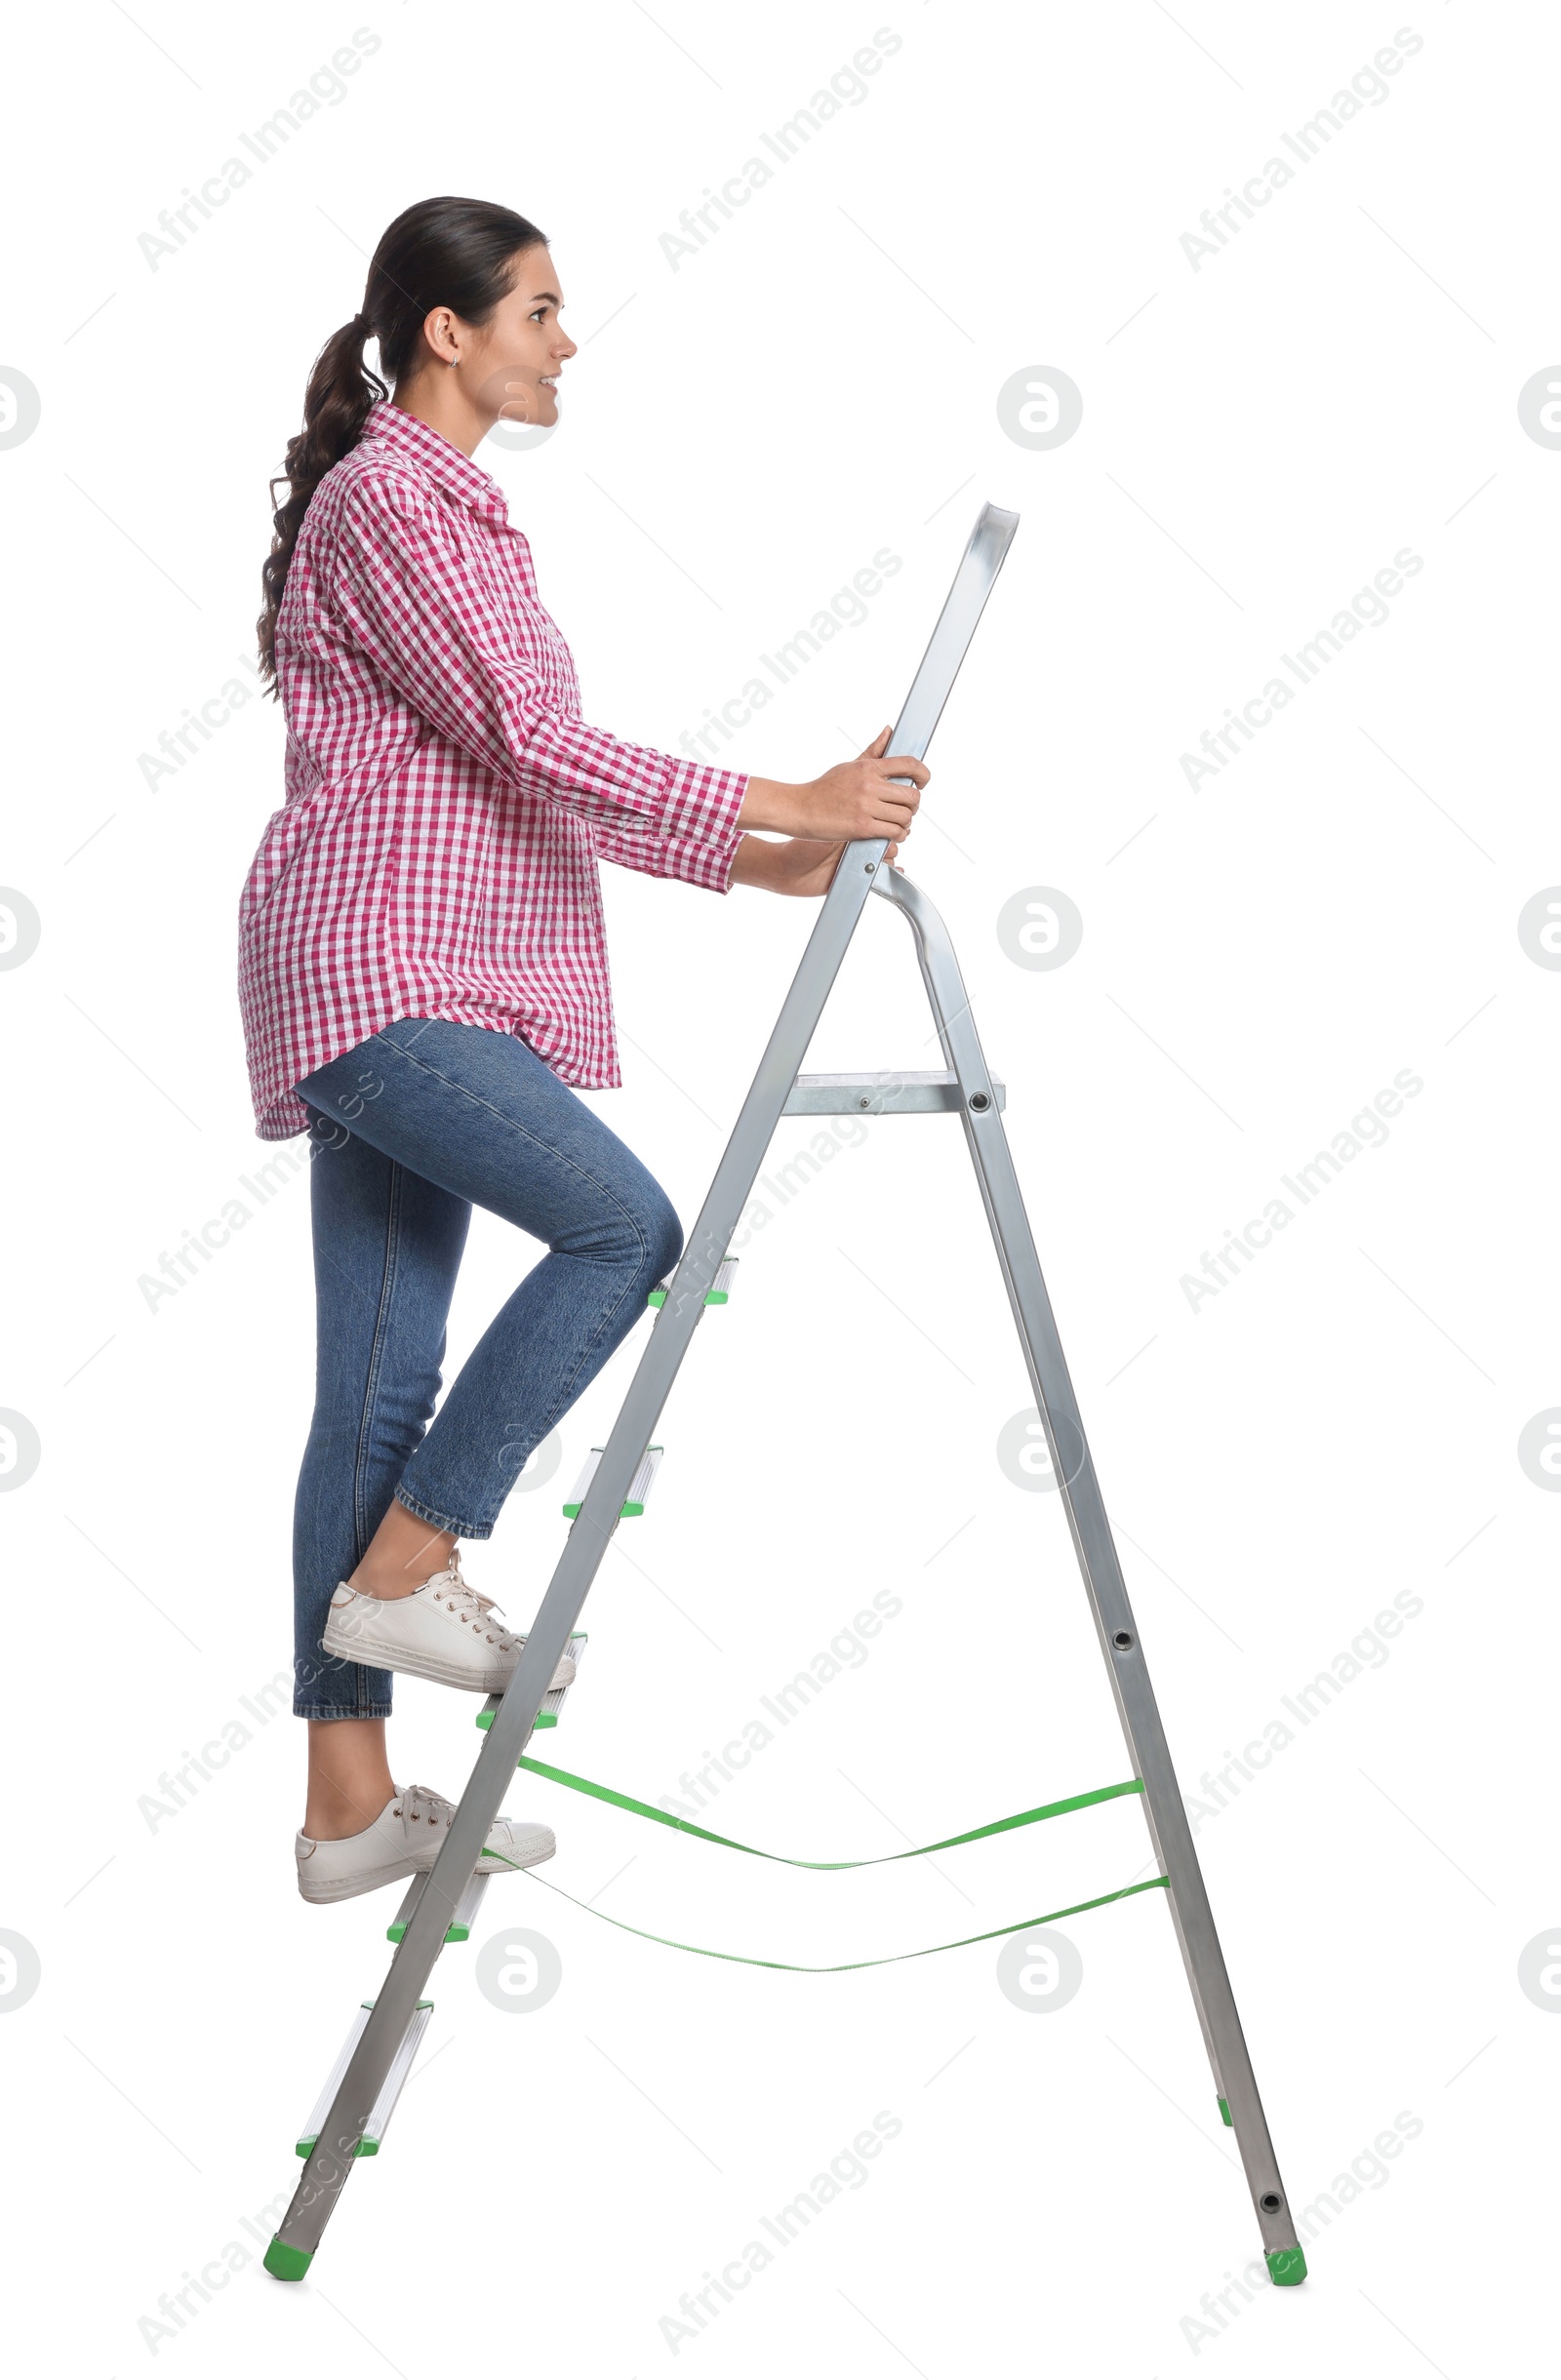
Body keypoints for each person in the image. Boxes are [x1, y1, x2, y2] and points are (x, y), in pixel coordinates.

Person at [238, 194, 929, 1909]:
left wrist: (791, 850)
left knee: (376, 1389)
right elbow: (541, 738)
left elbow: (522, 780)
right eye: (539, 308)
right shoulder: (396, 497)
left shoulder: (448, 516)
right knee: (626, 1231)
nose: (566, 339)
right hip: (387, 972)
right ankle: (415, 1562)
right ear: (448, 330)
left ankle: (343, 1802)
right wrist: (788, 796)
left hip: (406, 970)